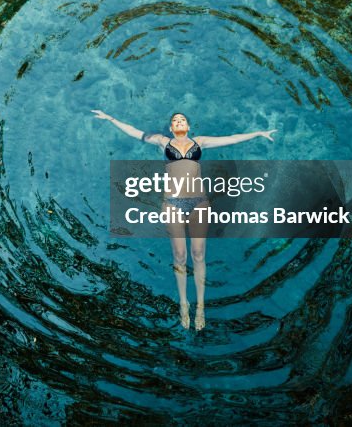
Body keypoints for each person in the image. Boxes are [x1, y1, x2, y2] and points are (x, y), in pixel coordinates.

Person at [92, 110, 276, 331]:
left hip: (199, 202)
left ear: (188, 126)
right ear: (171, 128)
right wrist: (111, 119)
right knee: (179, 255)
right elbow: (135, 132)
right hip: (172, 203)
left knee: (198, 254)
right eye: (174, 121)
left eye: (183, 120)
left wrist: (257, 133)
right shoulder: (163, 142)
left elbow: (231, 138)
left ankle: (200, 305)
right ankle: (183, 302)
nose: (179, 122)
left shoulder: (200, 142)